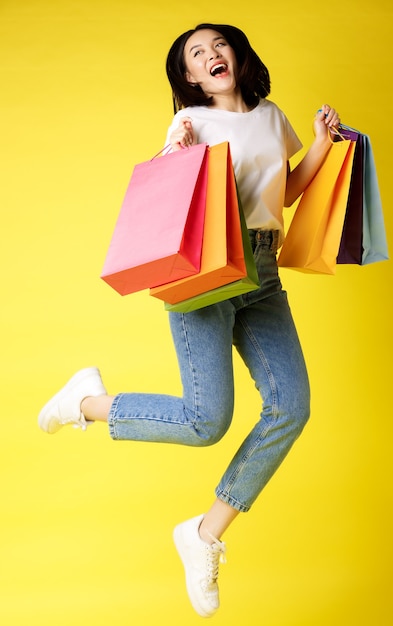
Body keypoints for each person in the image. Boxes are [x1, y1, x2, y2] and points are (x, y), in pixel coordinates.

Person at [38, 23, 340, 619]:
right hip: (205, 276)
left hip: (262, 274)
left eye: (217, 46)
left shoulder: (271, 116)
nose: (211, 56)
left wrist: (320, 143)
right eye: (196, 55)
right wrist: (175, 147)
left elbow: (284, 191)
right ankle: (87, 402)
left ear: (237, 56)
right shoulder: (193, 124)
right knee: (207, 423)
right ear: (190, 79)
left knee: (292, 408)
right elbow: (170, 193)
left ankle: (203, 533)